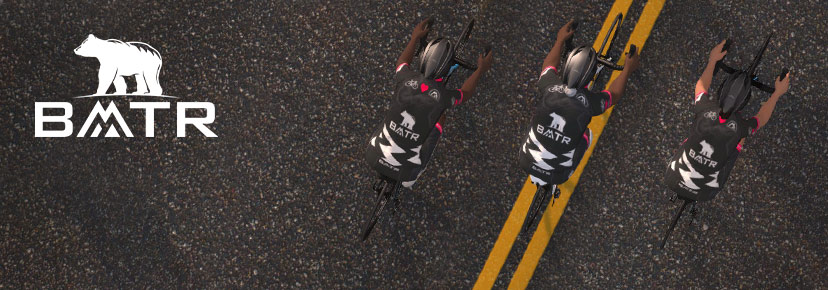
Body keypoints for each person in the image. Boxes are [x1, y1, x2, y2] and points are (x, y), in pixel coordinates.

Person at [365, 18, 494, 188]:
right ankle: (415, 170)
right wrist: (480, 70)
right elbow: (465, 93)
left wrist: (414, 38)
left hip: (372, 156)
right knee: (440, 118)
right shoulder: (443, 97)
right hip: (406, 174)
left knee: (392, 115)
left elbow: (402, 63)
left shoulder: (405, 77)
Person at [663, 40, 791, 201]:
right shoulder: (740, 127)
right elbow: (761, 119)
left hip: (672, 178)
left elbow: (701, 86)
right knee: (741, 137)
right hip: (705, 193)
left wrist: (713, 60)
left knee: (701, 131)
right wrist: (776, 94)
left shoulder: (705, 107)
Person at [518, 20, 640, 188]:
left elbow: (548, 66)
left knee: (536, 122)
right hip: (557, 175)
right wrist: (627, 69)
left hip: (525, 161)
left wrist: (560, 40)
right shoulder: (590, 103)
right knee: (586, 134)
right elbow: (614, 95)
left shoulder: (550, 86)